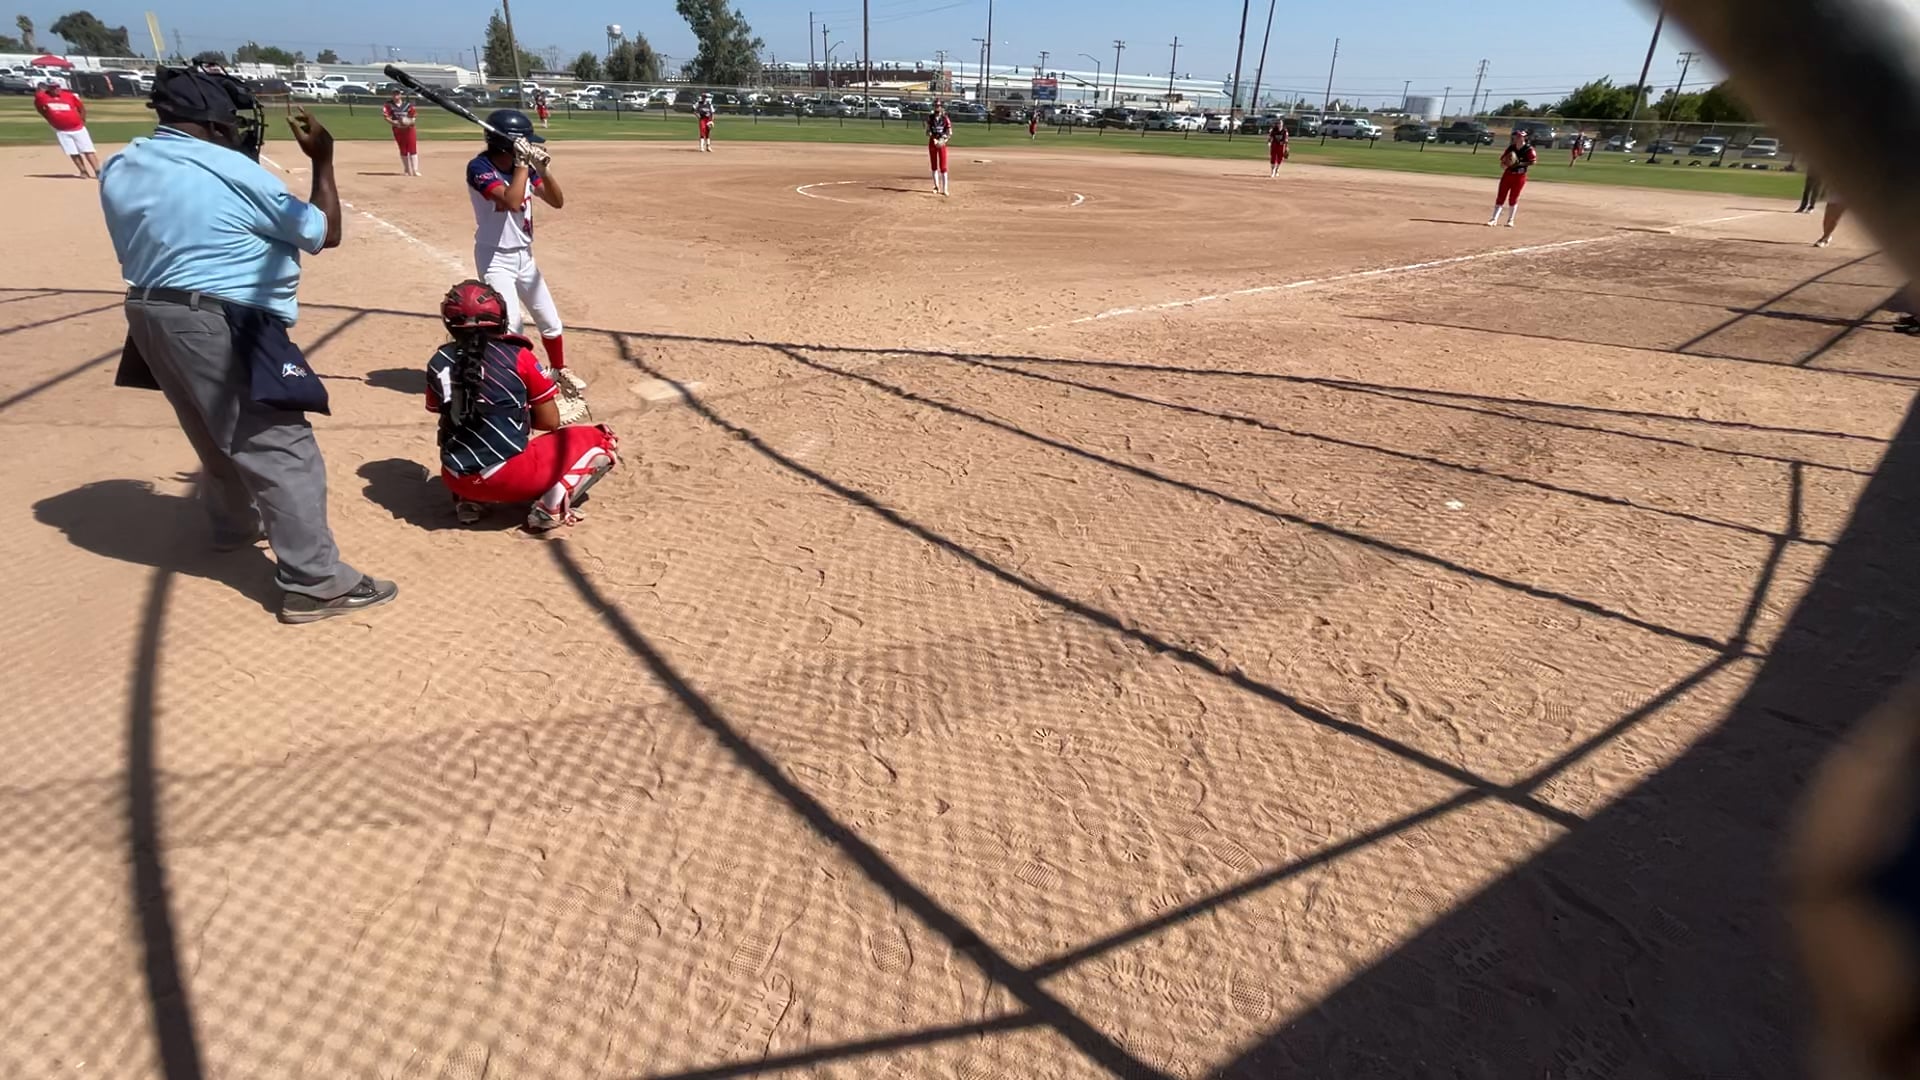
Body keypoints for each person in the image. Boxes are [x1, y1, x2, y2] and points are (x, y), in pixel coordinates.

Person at [99, 66, 397, 623]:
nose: (238, 130)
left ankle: (233, 526)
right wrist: (323, 159)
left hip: (148, 313)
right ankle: (316, 583)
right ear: (213, 123)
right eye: (231, 122)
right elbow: (323, 231)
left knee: (213, 433)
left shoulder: (122, 163)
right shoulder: (232, 168)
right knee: (282, 447)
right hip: (220, 318)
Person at [425, 280, 620, 531]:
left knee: (467, 431)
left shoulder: (438, 360)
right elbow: (550, 422)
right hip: (509, 479)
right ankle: (549, 510)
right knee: (603, 440)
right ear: (500, 317)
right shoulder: (517, 355)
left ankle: (469, 501)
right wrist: (521, 413)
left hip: (455, 478)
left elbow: (445, 411)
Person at [466, 109, 585, 394]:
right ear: (508, 144)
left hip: (525, 256)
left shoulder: (525, 169)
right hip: (495, 257)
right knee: (512, 327)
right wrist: (522, 163)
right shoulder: (480, 167)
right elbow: (511, 200)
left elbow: (557, 201)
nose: (531, 147)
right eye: (525, 143)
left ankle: (558, 370)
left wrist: (543, 170)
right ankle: (513, 381)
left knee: (551, 322)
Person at [34, 79, 100, 179]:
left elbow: (81, 108)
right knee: (72, 152)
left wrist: (82, 120)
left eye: (57, 87)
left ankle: (97, 171)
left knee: (88, 150)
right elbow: (39, 107)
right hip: (61, 130)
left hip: (78, 128)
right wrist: (48, 117)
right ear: (49, 88)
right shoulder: (42, 97)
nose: (56, 89)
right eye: (53, 87)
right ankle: (83, 171)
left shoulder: (69, 96)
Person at [1488, 127, 1538, 227]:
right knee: (1501, 196)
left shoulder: (1529, 149)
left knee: (1513, 198)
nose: (1518, 138)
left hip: (1519, 177)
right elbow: (1503, 160)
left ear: (1524, 138)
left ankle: (1510, 220)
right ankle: (1494, 219)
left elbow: (1533, 161)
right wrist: (1504, 164)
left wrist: (1520, 164)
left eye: (1520, 136)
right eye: (1517, 136)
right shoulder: (1511, 148)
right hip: (1508, 175)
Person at [382, 88, 420, 177]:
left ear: (400, 95)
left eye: (397, 94)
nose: (396, 96)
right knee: (403, 149)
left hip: (409, 128)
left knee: (412, 148)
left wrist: (410, 121)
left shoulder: (407, 105)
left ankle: (415, 170)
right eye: (394, 94)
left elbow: (413, 116)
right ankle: (407, 169)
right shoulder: (389, 105)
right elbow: (386, 117)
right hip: (398, 129)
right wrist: (394, 123)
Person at [926, 100, 952, 196]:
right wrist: (933, 138)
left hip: (942, 143)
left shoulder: (945, 118)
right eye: (936, 106)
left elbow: (949, 132)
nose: (937, 107)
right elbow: (928, 131)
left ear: (941, 107)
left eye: (939, 106)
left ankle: (945, 189)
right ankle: (936, 186)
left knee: (943, 166)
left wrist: (943, 141)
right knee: (934, 165)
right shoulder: (930, 118)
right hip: (932, 143)